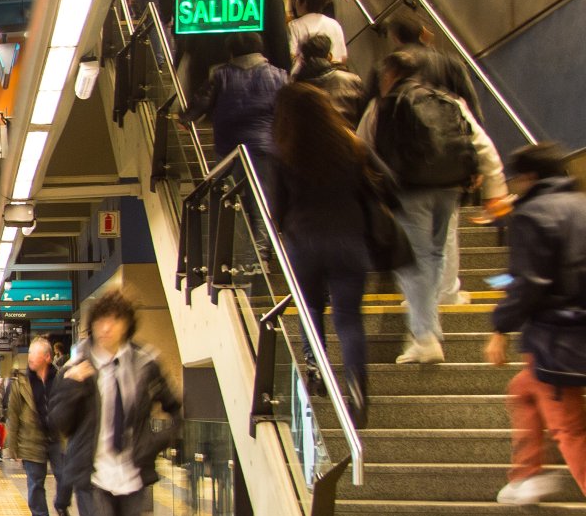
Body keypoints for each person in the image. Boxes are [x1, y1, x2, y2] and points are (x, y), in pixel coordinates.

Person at [49, 291, 183, 516]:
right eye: (99, 321)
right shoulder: (75, 366)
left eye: (114, 320)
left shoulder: (145, 363)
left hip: (132, 470)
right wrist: (74, 386)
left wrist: (156, 443)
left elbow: (174, 409)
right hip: (92, 472)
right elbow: (59, 423)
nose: (105, 328)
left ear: (126, 324)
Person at [360, 49, 506, 364]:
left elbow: (361, 148)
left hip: (410, 192)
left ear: (390, 74)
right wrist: (496, 190)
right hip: (449, 190)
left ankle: (425, 337)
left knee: (413, 263)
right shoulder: (449, 101)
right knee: (434, 256)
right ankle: (429, 325)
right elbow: (483, 145)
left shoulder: (383, 105)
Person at [485, 144, 586, 516]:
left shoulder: (531, 216)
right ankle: (526, 475)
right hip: (570, 331)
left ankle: (529, 476)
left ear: (526, 178)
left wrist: (499, 328)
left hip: (558, 335)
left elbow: (528, 283)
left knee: (570, 428)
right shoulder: (581, 205)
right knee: (524, 389)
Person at [273, 78, 391, 414]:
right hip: (348, 242)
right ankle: (357, 391)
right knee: (349, 318)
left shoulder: (285, 152)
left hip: (304, 243)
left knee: (310, 312)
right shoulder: (352, 146)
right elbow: (388, 184)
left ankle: (317, 376)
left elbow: (276, 210)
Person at [179, 32, 286, 173]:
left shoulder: (220, 75)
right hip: (265, 144)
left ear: (231, 52)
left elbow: (202, 101)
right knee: (262, 192)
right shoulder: (279, 76)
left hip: (228, 146)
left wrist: (186, 118)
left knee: (225, 189)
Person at [6, 337, 72, 516]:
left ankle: (61, 503)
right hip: (30, 439)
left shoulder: (61, 378)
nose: (30, 359)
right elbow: (14, 414)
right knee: (35, 483)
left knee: (65, 477)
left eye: (35, 354)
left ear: (47, 357)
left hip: (58, 438)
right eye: (30, 354)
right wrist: (13, 448)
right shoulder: (21, 382)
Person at [286, 0, 348, 65]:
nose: (295, 3)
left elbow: (291, 56)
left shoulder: (294, 25)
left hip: (306, 75)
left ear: (304, 2)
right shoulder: (334, 24)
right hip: (332, 72)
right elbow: (342, 57)